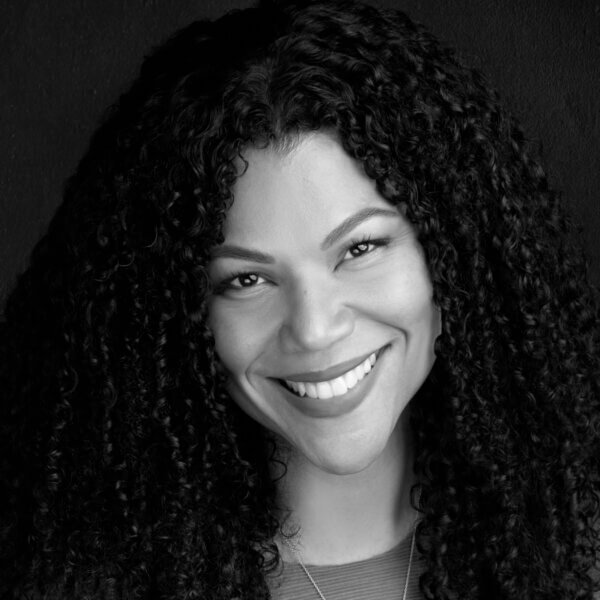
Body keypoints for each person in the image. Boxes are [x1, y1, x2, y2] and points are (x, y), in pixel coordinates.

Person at [1, 0, 599, 598]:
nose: (314, 328)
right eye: (246, 280)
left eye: (360, 248)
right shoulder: (79, 583)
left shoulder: (581, 558)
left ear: (457, 245)